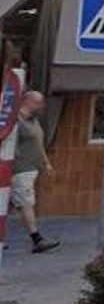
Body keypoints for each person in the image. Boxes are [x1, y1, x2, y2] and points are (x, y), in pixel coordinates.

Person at [10, 91, 58, 252]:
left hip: (31, 168)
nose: (41, 106)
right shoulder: (16, 120)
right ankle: (37, 239)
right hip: (20, 168)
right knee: (25, 203)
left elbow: (38, 142)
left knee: (12, 204)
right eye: (38, 102)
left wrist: (46, 163)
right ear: (27, 101)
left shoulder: (34, 120)